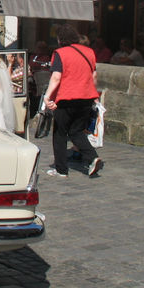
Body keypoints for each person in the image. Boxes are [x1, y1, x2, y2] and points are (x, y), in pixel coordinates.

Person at [43, 23, 103, 179]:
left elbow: (56, 77)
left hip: (67, 97)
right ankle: (92, 157)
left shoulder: (60, 53)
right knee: (76, 131)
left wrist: (47, 96)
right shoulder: (89, 52)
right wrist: (94, 94)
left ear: (60, 39)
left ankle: (61, 169)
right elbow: (94, 76)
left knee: (60, 133)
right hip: (86, 97)